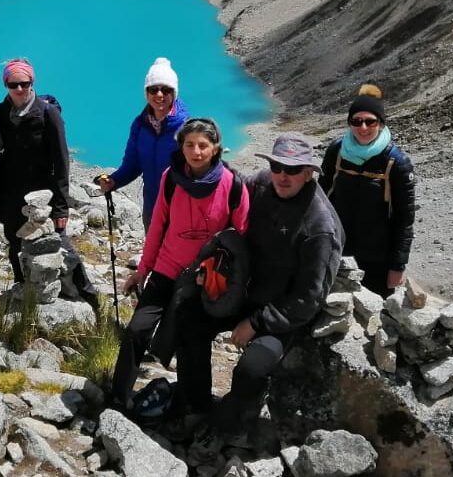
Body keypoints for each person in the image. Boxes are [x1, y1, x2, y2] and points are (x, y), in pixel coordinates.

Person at [175, 133, 344, 435]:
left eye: (292, 169)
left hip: (282, 312)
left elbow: (308, 298)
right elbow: (237, 187)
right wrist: (210, 161)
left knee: (251, 369)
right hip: (244, 291)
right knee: (189, 320)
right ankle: (196, 406)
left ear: (309, 173)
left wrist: (256, 323)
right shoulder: (264, 183)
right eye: (277, 166)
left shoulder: (319, 228)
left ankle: (230, 430)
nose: (282, 175)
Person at [111, 118, 249, 409]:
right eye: (190, 144)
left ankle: (191, 406)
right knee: (138, 329)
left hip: (205, 278)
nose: (196, 151)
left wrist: (230, 281)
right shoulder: (171, 178)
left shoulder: (232, 184)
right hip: (167, 268)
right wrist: (142, 270)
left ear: (215, 149)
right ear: (181, 147)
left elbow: (241, 238)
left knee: (190, 340)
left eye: (203, 145)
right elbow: (158, 225)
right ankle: (119, 397)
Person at [0, 58, 96, 298]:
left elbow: (61, 163)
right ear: (6, 84)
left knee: (61, 247)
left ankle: (87, 296)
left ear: (31, 82)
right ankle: (26, 293)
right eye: (13, 84)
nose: (19, 89)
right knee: (16, 247)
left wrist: (60, 209)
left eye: (24, 84)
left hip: (45, 201)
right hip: (11, 198)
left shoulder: (47, 113)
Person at [318, 84, 417, 297]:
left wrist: (398, 266)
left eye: (370, 121)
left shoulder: (396, 163)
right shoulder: (336, 151)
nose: (363, 127)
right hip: (338, 252)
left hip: (377, 259)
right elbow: (320, 198)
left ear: (380, 124)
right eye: (356, 121)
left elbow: (404, 219)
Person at [96, 57, 189, 227]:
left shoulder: (186, 128)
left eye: (166, 90)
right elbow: (133, 164)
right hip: (152, 205)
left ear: (174, 94)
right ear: (146, 93)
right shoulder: (140, 125)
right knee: (152, 252)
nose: (159, 95)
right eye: (153, 89)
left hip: (181, 208)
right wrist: (114, 181)